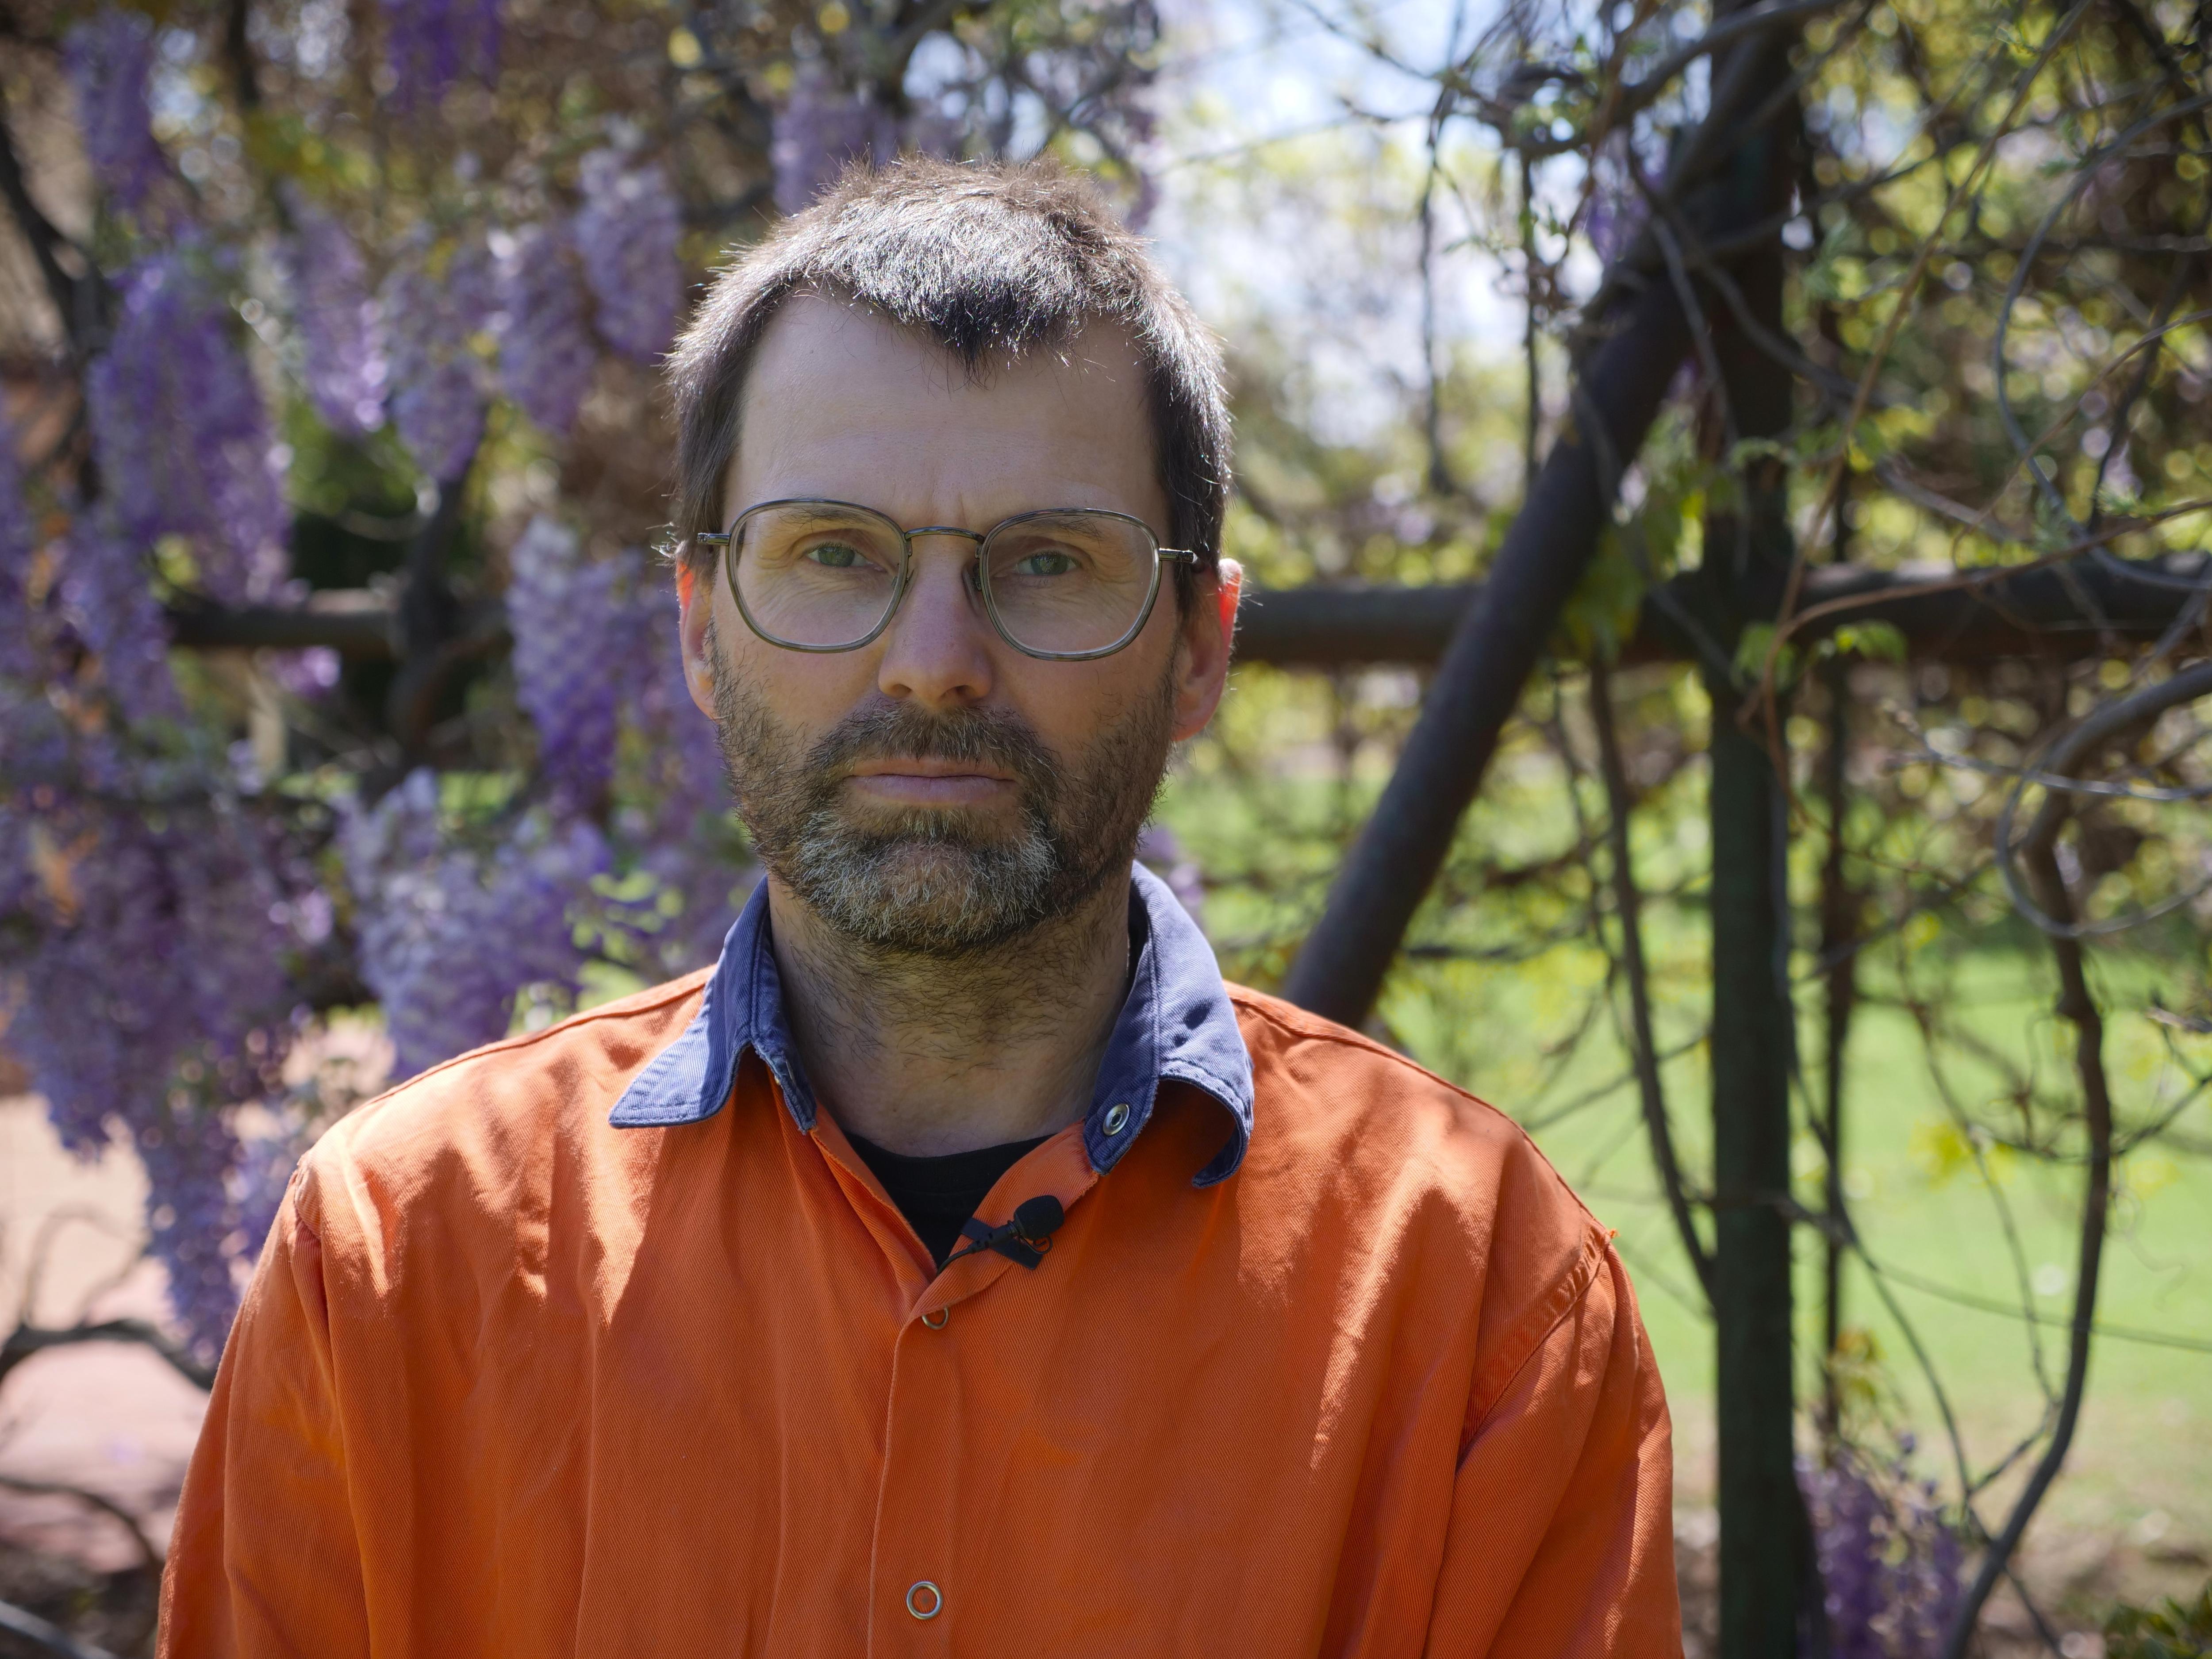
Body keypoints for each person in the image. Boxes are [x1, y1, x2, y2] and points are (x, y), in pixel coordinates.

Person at [161, 158, 1681, 1657]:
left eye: (1048, 562)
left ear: (1202, 650)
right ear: (701, 630)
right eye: (833, 555)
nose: (934, 660)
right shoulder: (399, 1254)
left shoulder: (1478, 1282)